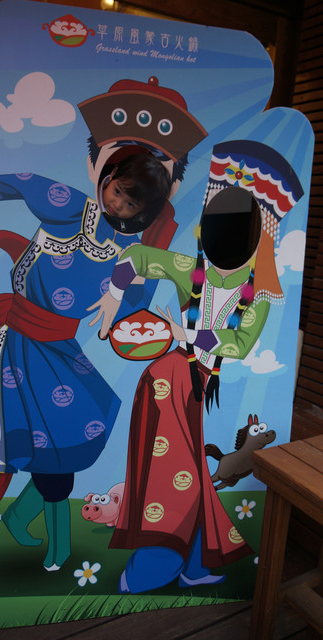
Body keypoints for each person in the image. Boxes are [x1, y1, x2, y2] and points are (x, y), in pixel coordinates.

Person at [0, 76, 208, 572]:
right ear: (105, 175)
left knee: (64, 446)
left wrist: (155, 326)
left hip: (61, 354)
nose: (118, 205)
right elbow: (19, 181)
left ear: (147, 211)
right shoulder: (70, 206)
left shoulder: (133, 252)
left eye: (132, 204)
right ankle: (57, 544)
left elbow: (132, 310)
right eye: (117, 190)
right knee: (45, 446)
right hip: (18, 348)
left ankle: (27, 522)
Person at [89, 140, 304, 593]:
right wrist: (113, 295)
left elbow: (239, 345)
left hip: (191, 382)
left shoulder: (259, 297)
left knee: (178, 473)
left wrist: (189, 335)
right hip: (167, 381)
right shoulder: (191, 268)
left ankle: (179, 563)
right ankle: (182, 565)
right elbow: (136, 257)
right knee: (171, 471)